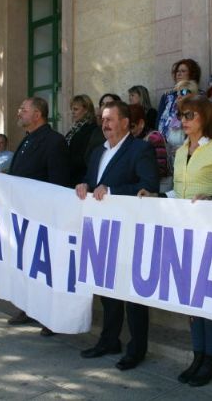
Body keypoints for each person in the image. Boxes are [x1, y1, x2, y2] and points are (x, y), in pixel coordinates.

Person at [139, 95, 212, 387]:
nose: (184, 120)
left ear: (205, 116)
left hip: (211, 232)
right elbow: (178, 191)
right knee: (191, 298)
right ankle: (198, 355)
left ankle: (211, 357)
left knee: (208, 296)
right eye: (181, 115)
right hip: (183, 232)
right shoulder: (180, 151)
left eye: (190, 115)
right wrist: (157, 196)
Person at [77, 101, 159, 371]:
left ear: (125, 122)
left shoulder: (140, 149)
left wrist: (112, 192)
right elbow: (92, 183)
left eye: (110, 119)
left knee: (133, 295)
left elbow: (148, 186)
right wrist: (84, 185)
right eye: (103, 119)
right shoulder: (97, 152)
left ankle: (137, 349)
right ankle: (109, 340)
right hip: (101, 231)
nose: (105, 124)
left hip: (129, 230)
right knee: (107, 290)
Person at [6, 97, 70, 336]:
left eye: (23, 109)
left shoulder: (54, 141)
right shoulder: (27, 139)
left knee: (47, 270)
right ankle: (29, 307)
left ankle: (52, 316)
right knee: (27, 267)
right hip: (24, 215)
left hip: (44, 217)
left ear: (37, 114)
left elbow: (59, 182)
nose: (19, 112)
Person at [158, 59, 202, 157]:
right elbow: (159, 120)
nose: (178, 74)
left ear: (192, 74)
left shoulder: (200, 96)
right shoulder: (167, 96)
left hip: (189, 147)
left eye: (183, 71)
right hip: (166, 147)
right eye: (177, 71)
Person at [128, 103, 170, 191]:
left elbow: (161, 168)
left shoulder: (154, 137)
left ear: (141, 123)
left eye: (132, 127)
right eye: (126, 128)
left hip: (157, 188)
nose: (129, 131)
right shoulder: (130, 139)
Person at [65, 94, 96, 186]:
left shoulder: (91, 128)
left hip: (81, 178)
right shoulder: (75, 128)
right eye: (72, 109)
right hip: (71, 174)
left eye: (76, 109)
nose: (72, 112)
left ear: (86, 110)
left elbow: (85, 156)